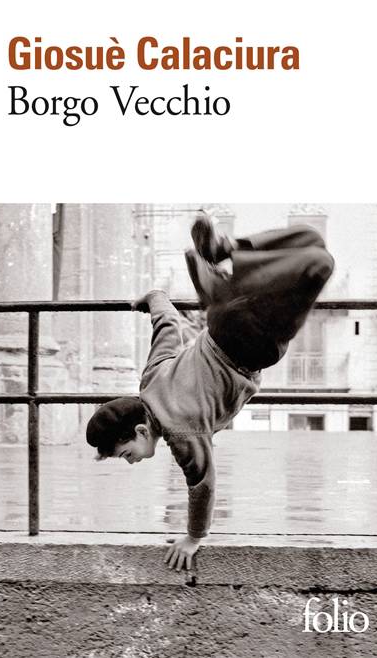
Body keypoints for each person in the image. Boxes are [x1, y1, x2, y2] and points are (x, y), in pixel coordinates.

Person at [86, 211, 334, 571]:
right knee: (310, 238)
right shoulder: (150, 379)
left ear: (140, 431)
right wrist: (155, 297)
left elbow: (202, 483)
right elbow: (167, 325)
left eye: (127, 454)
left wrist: (193, 538)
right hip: (221, 324)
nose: (132, 461)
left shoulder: (181, 431)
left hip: (253, 345)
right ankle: (223, 255)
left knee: (319, 263)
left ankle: (219, 287)